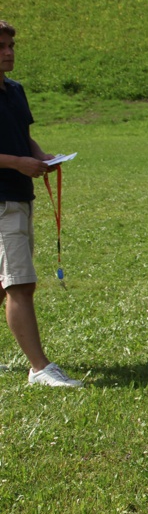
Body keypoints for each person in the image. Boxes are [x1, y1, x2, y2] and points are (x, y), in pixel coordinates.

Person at [0, 20, 80, 388]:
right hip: (2, 202)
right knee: (20, 285)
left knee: (4, 283)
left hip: (19, 197)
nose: (9, 52)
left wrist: (41, 157)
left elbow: (23, 136)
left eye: (11, 46)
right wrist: (18, 163)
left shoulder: (15, 90)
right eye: (1, 47)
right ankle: (39, 368)